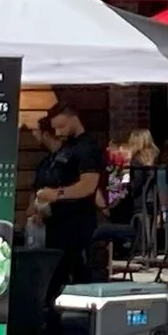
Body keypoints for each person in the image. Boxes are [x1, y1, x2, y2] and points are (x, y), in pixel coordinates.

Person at [32, 104, 107, 295]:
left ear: (73, 119)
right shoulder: (65, 148)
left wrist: (57, 194)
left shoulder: (88, 148)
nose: (58, 132)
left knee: (81, 277)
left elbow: (88, 185)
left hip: (78, 227)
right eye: (55, 128)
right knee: (54, 278)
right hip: (55, 224)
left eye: (62, 126)